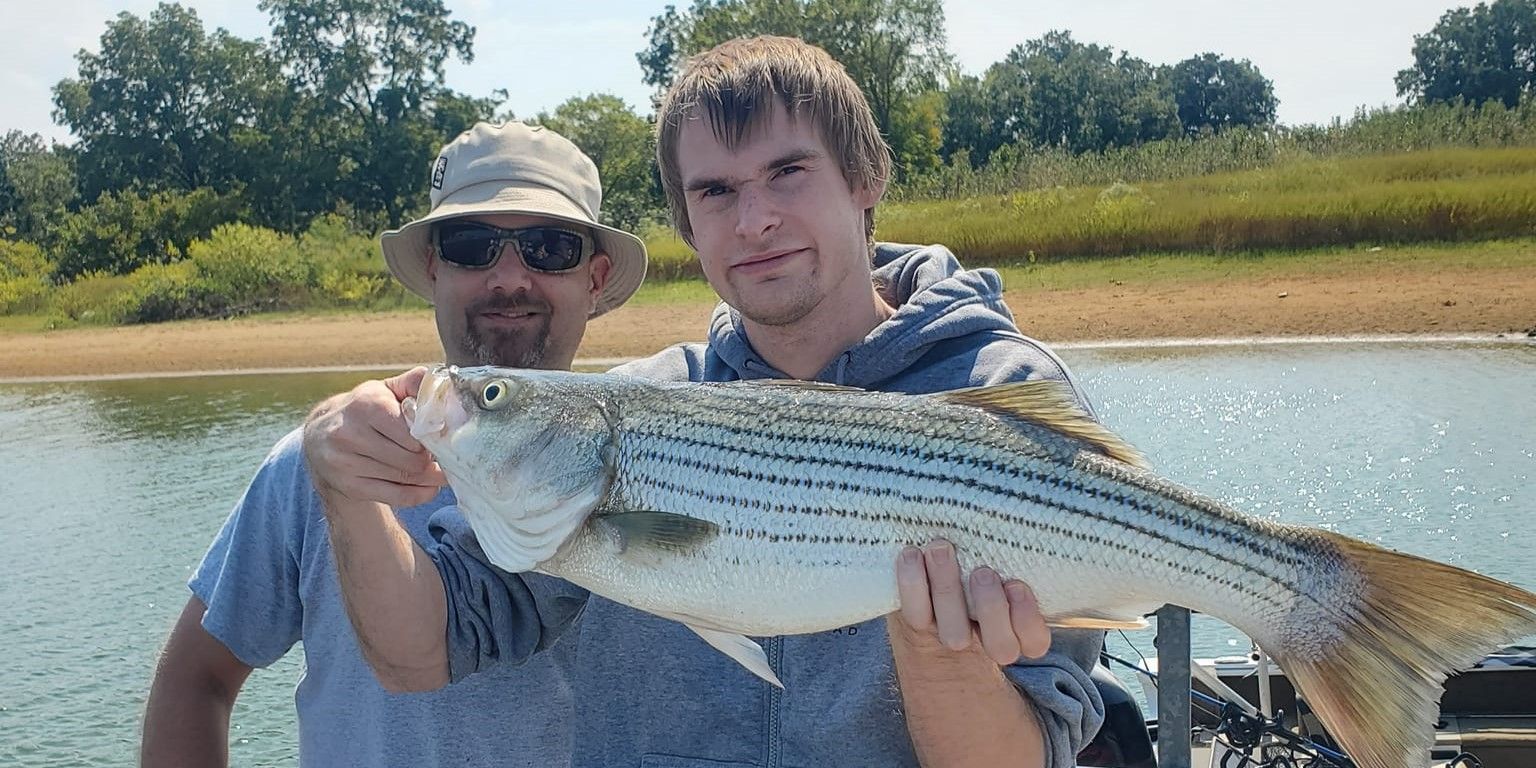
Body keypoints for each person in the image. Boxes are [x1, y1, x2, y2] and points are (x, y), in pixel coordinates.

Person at [313, 36, 1107, 768]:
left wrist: (939, 653)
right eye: (716, 191)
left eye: (788, 172)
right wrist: (346, 493)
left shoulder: (1000, 388)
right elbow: (421, 652)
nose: (756, 220)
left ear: (867, 178)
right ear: (687, 224)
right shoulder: (632, 406)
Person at [139, 121, 648, 767]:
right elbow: (198, 678)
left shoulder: (669, 456)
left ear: (596, 277)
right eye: (472, 245)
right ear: (435, 267)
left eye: (549, 247)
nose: (510, 278)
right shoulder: (314, 464)